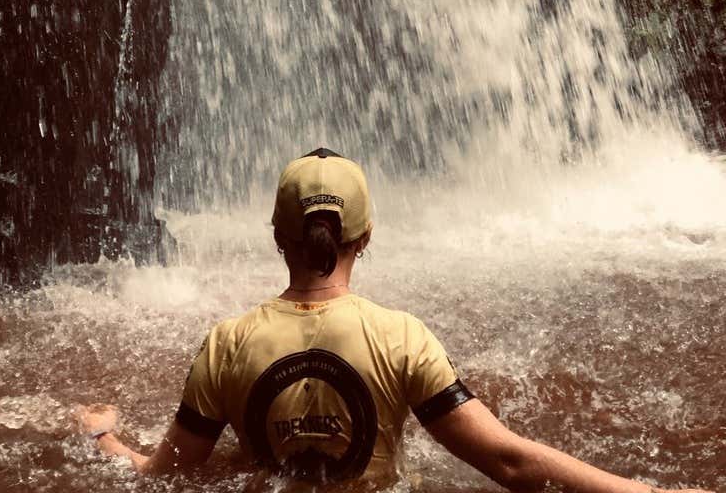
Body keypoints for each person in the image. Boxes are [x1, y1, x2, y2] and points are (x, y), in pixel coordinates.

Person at [76, 148, 713, 493]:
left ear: (278, 236)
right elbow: (512, 465)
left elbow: (166, 476)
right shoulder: (401, 338)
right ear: (366, 236)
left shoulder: (226, 344)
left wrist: (103, 436)